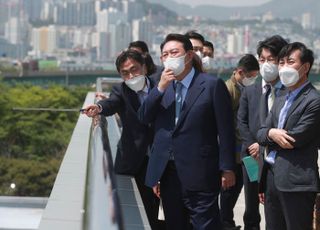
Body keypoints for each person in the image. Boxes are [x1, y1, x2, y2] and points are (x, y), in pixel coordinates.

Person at [138, 33, 236, 230]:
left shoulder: (210, 85)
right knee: (175, 224)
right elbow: (143, 117)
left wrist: (227, 167)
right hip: (168, 172)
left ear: (189, 56)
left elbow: (226, 130)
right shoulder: (162, 86)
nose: (169, 58)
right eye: (164, 55)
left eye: (174, 52)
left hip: (201, 171)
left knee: (206, 224)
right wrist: (160, 88)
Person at [82, 50, 162, 230]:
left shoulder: (161, 86)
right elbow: (112, 103)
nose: (131, 76)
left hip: (163, 157)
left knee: (164, 209)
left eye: (135, 70)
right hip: (135, 158)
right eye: (125, 73)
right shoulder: (121, 89)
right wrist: (99, 107)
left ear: (144, 67)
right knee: (142, 207)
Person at [257, 42, 320, 230]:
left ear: (305, 67)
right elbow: (260, 133)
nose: (283, 68)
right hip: (272, 177)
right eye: (281, 62)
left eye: (290, 62)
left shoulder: (314, 101)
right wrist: (271, 132)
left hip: (296, 182)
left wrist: (270, 135)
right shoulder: (281, 96)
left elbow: (293, 140)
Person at [237, 35, 288, 230]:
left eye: (271, 59)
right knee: (251, 204)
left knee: (274, 206)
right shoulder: (251, 90)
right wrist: (252, 143)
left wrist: (263, 143)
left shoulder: (287, 91)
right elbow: (241, 121)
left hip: (275, 157)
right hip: (251, 157)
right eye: (262, 59)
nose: (266, 64)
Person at [221, 54, 260, 230]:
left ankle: (251, 224)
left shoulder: (248, 90)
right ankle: (226, 224)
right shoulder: (228, 90)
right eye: (251, 76)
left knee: (252, 192)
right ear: (239, 72)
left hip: (248, 153)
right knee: (230, 193)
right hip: (235, 154)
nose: (253, 80)